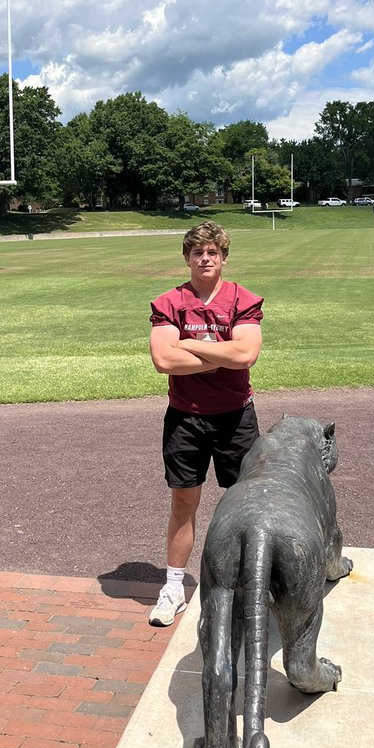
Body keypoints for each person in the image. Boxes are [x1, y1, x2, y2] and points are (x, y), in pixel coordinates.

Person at [147, 221, 263, 626]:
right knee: (183, 502)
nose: (205, 259)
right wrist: (220, 352)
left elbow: (247, 355)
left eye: (213, 253)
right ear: (187, 258)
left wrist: (191, 344)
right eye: (198, 253)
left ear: (224, 257)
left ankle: (249, 587)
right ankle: (174, 586)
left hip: (236, 418)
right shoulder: (169, 302)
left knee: (244, 507)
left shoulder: (241, 299)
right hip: (186, 418)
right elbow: (164, 361)